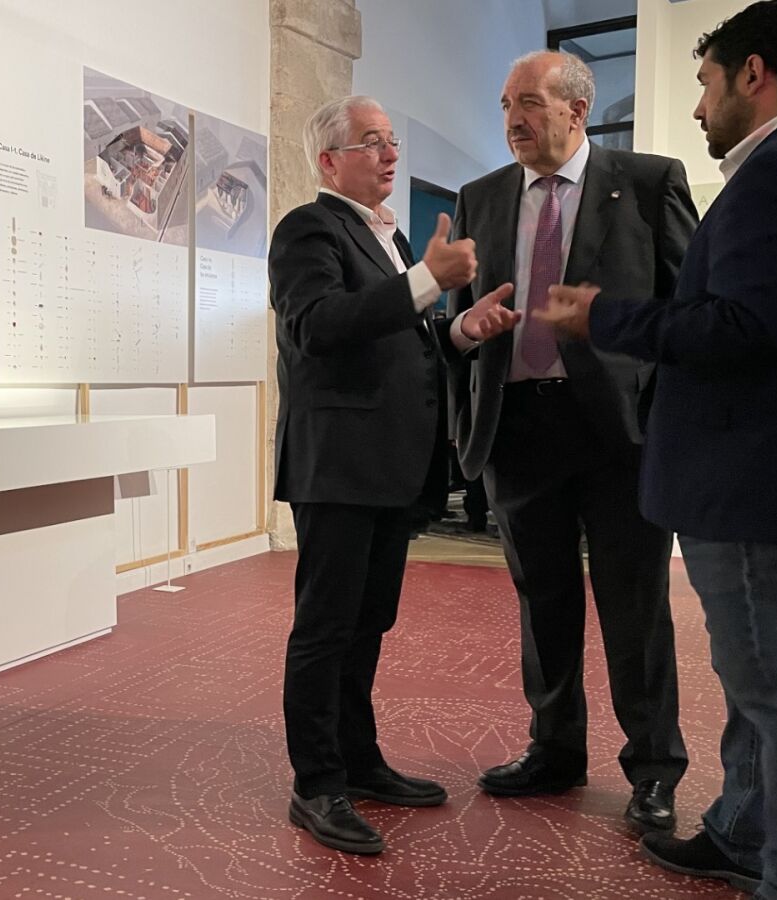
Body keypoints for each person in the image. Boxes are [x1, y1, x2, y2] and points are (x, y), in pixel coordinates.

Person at [537, 2, 777, 896]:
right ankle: (744, 831)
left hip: (760, 479)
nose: (698, 107)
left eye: (704, 83)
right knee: (762, 683)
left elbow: (742, 327)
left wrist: (605, 316)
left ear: (753, 73)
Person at [445, 50, 696, 833]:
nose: (513, 119)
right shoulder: (482, 197)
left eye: (528, 102)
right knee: (542, 600)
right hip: (519, 428)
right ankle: (553, 749)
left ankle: (653, 766)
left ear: (576, 110)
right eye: (505, 104)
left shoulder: (647, 183)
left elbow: (689, 312)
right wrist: (465, 329)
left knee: (634, 604)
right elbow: (460, 315)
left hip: (620, 433)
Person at [269, 95, 519, 856]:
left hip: (386, 465)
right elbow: (318, 326)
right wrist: (425, 281)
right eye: (371, 141)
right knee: (326, 628)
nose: (389, 154)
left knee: (368, 621)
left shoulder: (389, 236)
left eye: (390, 141)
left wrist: (461, 330)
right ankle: (317, 783)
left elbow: (397, 343)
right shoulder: (308, 229)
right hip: (338, 465)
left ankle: (358, 759)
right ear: (328, 161)